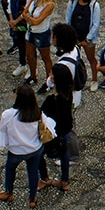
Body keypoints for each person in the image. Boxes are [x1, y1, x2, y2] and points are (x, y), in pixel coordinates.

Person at [0, 84, 50, 208]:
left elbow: (2, 130)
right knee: (33, 171)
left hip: (16, 150)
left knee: (10, 169)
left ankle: (9, 192)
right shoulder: (37, 112)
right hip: (35, 149)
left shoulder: (8, 114)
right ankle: (32, 198)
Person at [38, 63, 74, 192]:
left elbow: (41, 114)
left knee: (39, 154)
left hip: (52, 133)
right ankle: (64, 180)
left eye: (52, 74)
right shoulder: (68, 92)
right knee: (64, 153)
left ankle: (44, 178)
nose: (49, 75)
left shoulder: (51, 100)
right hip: (65, 129)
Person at [66, 0, 101, 87]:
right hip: (74, 36)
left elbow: (96, 24)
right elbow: (68, 19)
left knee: (91, 58)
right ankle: (76, 78)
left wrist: (87, 39)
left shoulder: (94, 5)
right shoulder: (72, 2)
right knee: (75, 58)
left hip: (87, 37)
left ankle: (94, 79)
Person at [23, 0, 55, 89]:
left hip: (41, 34)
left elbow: (38, 21)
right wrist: (28, 17)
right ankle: (33, 76)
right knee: (30, 55)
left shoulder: (49, 4)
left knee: (45, 57)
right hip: (30, 31)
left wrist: (28, 18)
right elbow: (25, 11)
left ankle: (49, 80)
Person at [7, 0, 34, 78]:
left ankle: (31, 67)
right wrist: (11, 20)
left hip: (24, 22)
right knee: (19, 43)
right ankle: (22, 64)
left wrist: (16, 21)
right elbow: (9, 3)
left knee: (28, 46)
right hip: (15, 20)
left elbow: (27, 9)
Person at [50, 23, 84, 107]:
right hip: (77, 94)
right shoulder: (76, 48)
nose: (52, 38)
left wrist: (51, 78)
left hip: (67, 100)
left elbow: (51, 83)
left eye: (54, 37)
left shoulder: (61, 65)